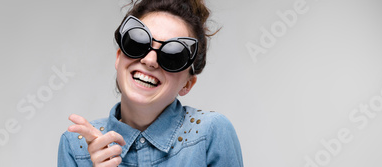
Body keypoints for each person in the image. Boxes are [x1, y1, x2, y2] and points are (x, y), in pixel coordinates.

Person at [58, 0, 243, 166]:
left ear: (188, 84)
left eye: (173, 55)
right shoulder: (76, 146)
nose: (149, 60)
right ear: (118, 58)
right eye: (138, 42)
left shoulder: (211, 133)